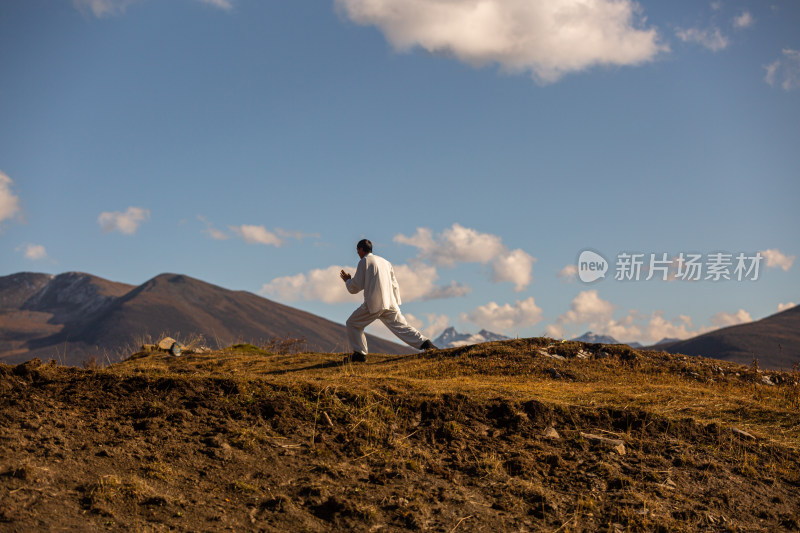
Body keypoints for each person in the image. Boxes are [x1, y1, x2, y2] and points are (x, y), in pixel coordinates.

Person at [339, 239, 437, 363]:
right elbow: (394, 283)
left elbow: (356, 286)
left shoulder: (364, 261)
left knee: (352, 323)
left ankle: (360, 354)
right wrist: (395, 302)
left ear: (361, 249)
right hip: (390, 302)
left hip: (373, 304)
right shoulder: (386, 262)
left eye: (357, 250)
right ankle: (426, 344)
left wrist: (348, 281)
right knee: (402, 327)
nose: (357, 253)